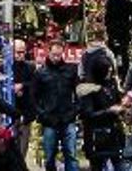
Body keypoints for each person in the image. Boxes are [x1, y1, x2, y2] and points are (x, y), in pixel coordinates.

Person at [32, 42, 80, 171]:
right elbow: (34, 97)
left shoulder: (71, 70)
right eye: (54, 55)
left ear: (63, 53)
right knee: (49, 157)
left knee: (71, 154)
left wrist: (74, 111)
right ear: (49, 52)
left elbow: (79, 93)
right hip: (49, 119)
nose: (56, 58)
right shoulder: (40, 73)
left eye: (59, 55)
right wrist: (42, 114)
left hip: (67, 117)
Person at [77, 49, 125, 171]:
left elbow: (118, 101)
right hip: (96, 135)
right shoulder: (88, 89)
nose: (109, 73)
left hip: (113, 133)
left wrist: (123, 105)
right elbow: (87, 114)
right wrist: (109, 111)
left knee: (120, 165)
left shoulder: (112, 84)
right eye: (107, 71)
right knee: (97, 165)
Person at [13, 41, 38, 162]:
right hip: (11, 111)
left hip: (25, 112)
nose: (20, 55)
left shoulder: (30, 67)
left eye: (22, 52)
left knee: (23, 145)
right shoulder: (7, 67)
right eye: (18, 52)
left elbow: (35, 84)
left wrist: (22, 86)